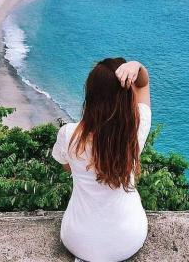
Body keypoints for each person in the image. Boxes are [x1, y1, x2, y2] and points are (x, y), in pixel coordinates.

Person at [51, 58, 152, 262]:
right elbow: (143, 85)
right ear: (126, 98)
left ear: (91, 96)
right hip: (128, 240)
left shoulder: (69, 135)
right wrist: (137, 66)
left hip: (77, 240)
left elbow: (68, 167)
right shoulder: (135, 132)